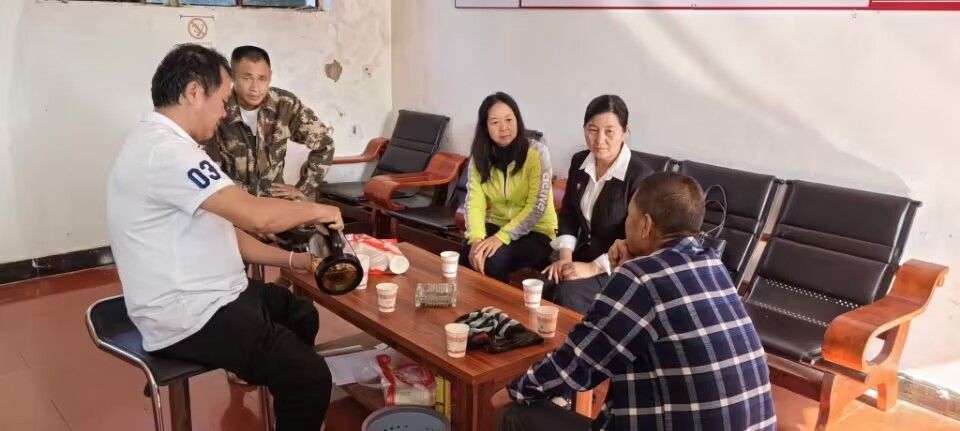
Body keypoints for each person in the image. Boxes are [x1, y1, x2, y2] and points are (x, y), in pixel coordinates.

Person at [106, 44, 341, 431]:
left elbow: (226, 231)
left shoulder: (173, 145)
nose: (223, 111)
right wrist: (318, 210)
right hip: (188, 314)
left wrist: (295, 260)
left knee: (300, 313)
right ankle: (291, 381)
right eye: (222, 101)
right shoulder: (167, 153)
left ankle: (276, 382)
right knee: (311, 377)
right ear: (194, 92)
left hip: (215, 292)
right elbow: (255, 215)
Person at [492, 172, 776, 431]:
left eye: (629, 215)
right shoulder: (714, 267)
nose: (625, 225)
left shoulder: (641, 278)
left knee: (516, 415)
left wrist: (513, 390)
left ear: (645, 224)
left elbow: (579, 362)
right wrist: (629, 266)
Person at [541, 95, 655, 313]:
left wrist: (592, 268)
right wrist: (565, 259)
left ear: (625, 132)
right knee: (544, 284)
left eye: (609, 131)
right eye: (592, 130)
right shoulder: (579, 161)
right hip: (581, 255)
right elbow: (568, 214)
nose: (599, 139)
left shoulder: (640, 177)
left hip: (617, 266)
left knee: (567, 294)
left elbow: (638, 241)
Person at [206, 45, 334, 203]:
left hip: (275, 203)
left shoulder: (285, 105)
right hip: (234, 204)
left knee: (324, 218)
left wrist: (303, 188)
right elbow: (208, 168)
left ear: (270, 77)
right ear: (233, 77)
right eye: (247, 78)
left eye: (262, 79)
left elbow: (325, 144)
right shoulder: (218, 108)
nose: (255, 88)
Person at [460, 92, 558, 283]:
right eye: (495, 122)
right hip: (499, 224)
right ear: (485, 127)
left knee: (494, 259)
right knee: (467, 250)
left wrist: (501, 237)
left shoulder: (537, 153)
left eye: (509, 120)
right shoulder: (480, 158)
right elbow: (474, 203)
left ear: (517, 120)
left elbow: (536, 207)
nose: (504, 128)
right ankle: (472, 300)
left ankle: (497, 302)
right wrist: (476, 239)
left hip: (538, 231)